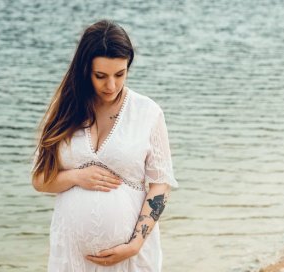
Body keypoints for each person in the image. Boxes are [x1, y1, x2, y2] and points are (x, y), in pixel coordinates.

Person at [31, 19, 178, 272]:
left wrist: (135, 243)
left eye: (120, 74)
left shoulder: (147, 112)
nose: (111, 85)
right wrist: (77, 177)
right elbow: (40, 180)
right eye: (101, 76)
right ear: (85, 70)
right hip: (71, 257)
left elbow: (160, 185)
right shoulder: (63, 110)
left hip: (130, 257)